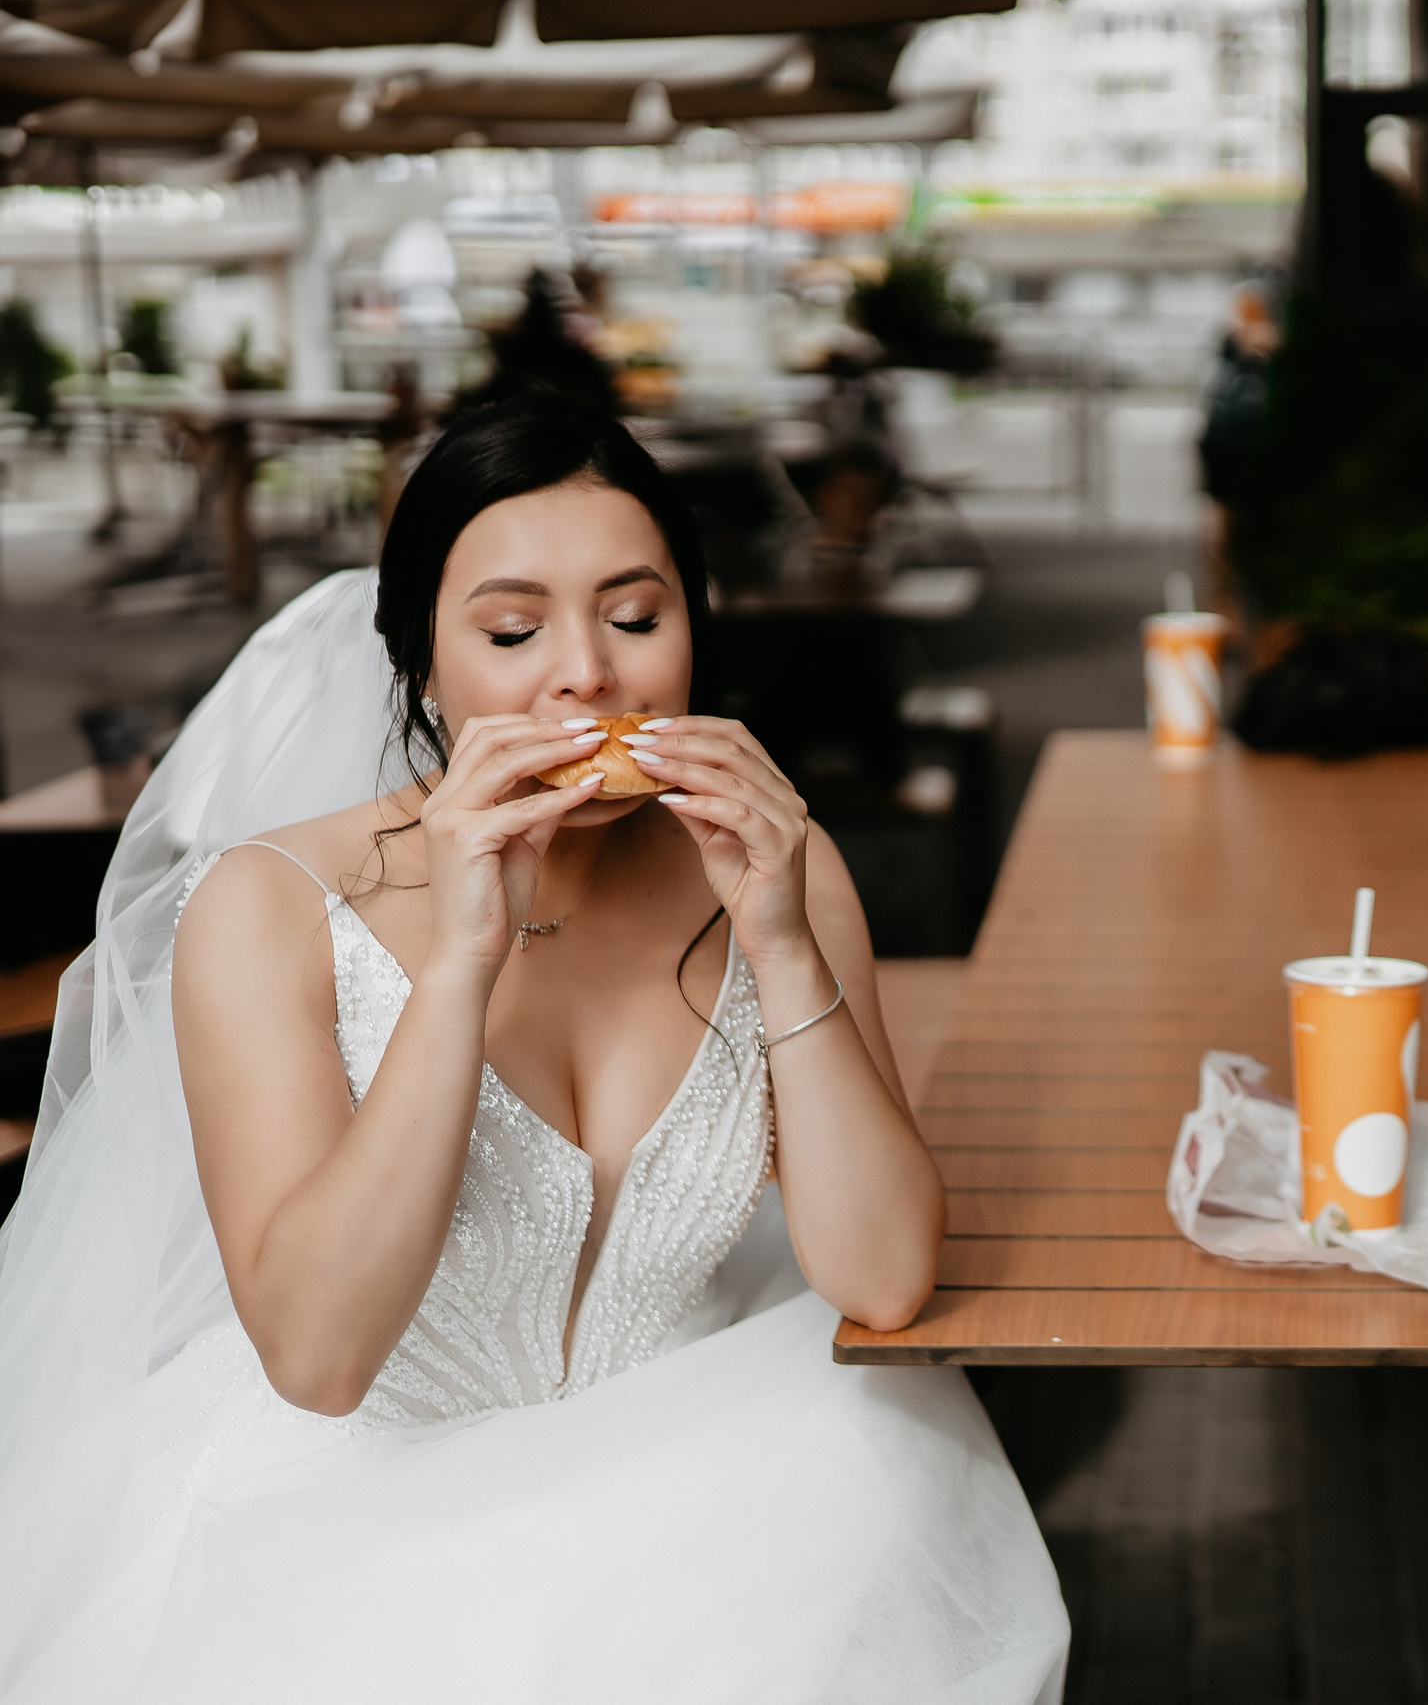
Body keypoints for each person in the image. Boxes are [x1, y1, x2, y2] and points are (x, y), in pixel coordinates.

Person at [0, 394, 1068, 1702]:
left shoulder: (777, 870)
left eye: (635, 618)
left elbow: (888, 1277)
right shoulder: (267, 906)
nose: (586, 675)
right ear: (423, 665)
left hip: (719, 1491)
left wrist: (784, 940)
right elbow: (319, 1359)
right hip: (352, 1534)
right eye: (513, 630)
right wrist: (459, 965)